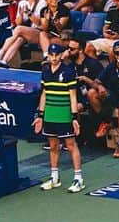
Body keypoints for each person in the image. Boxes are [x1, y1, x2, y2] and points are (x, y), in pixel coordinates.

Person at [34, 43, 84, 193]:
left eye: (57, 55)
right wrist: (40, 115)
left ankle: (78, 179)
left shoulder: (68, 72)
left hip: (64, 114)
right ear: (48, 56)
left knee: (71, 145)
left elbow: (73, 97)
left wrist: (74, 117)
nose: (54, 58)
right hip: (50, 114)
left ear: (62, 55)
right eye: (51, 55)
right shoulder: (45, 72)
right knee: (53, 146)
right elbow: (44, 94)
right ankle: (54, 177)